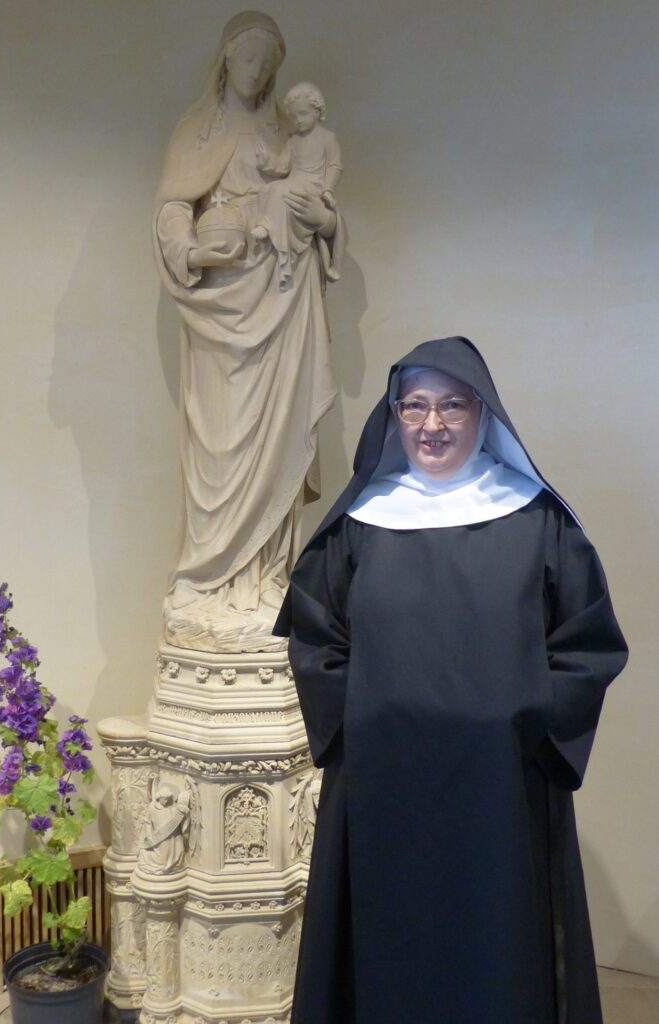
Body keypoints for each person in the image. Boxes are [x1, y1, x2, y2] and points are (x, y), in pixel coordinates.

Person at [273, 336, 628, 1023]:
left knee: (497, 942)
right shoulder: (357, 525)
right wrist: (362, 718)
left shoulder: (537, 521)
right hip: (382, 782)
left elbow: (586, 644)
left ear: (481, 415)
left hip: (500, 784)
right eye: (413, 406)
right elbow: (315, 638)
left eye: (451, 407)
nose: (430, 424)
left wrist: (523, 719)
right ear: (394, 415)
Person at [153, 11, 345, 653]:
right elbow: (174, 207)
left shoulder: (289, 133)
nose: (259, 72)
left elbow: (320, 203)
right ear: (226, 59)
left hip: (285, 294)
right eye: (250, 58)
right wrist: (191, 252)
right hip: (222, 298)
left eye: (270, 62)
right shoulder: (197, 131)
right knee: (221, 439)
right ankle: (207, 584)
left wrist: (321, 218)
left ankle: (266, 579)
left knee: (279, 427)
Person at [252, 81, 343, 288]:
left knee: (282, 190)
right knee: (270, 188)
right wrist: (266, 161)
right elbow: (282, 166)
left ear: (317, 111)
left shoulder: (328, 138)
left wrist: (327, 190)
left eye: (303, 113)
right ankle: (268, 226)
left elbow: (335, 167)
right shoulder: (293, 142)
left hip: (313, 187)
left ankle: (280, 243)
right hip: (294, 182)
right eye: (293, 116)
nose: (298, 120)